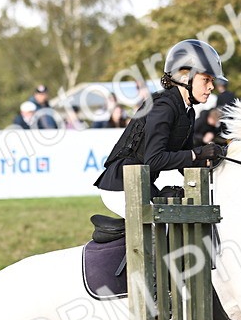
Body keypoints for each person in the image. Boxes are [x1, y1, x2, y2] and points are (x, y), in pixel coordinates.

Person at [94, 39, 227, 215]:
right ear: (186, 78)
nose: (211, 86)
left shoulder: (187, 111)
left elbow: (185, 162)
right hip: (121, 185)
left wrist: (217, 158)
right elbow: (154, 159)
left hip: (142, 183)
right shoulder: (164, 107)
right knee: (162, 230)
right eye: (206, 80)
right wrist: (198, 153)